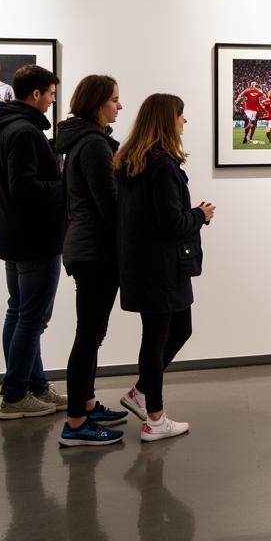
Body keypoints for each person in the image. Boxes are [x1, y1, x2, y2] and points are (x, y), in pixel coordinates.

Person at [0, 63, 67, 419]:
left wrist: (2, 211)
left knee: (20, 312)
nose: (53, 102)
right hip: (35, 238)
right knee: (32, 317)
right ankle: (14, 395)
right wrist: (64, 186)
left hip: (13, 235)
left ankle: (34, 385)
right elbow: (25, 187)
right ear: (36, 94)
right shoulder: (25, 132)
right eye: (51, 95)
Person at [114, 94, 215, 442]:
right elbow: (171, 223)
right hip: (161, 265)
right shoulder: (161, 166)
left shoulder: (131, 161)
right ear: (165, 121)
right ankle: (154, 418)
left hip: (144, 262)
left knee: (176, 329)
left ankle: (141, 393)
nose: (184, 122)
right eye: (180, 116)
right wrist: (200, 215)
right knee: (157, 337)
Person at [55, 74, 127, 447]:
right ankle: (76, 423)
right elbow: (109, 204)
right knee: (88, 335)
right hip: (95, 251)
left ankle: (87, 403)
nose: (119, 106)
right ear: (99, 103)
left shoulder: (81, 141)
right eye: (114, 100)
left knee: (92, 333)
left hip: (86, 247)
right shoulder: (94, 145)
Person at [235, 80, 265, 145]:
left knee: (252, 124)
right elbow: (240, 95)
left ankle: (247, 137)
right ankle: (245, 137)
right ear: (251, 85)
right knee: (249, 123)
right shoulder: (247, 90)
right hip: (248, 109)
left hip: (255, 110)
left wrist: (259, 88)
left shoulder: (257, 91)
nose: (253, 85)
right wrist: (237, 100)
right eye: (252, 84)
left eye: (255, 84)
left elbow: (262, 94)